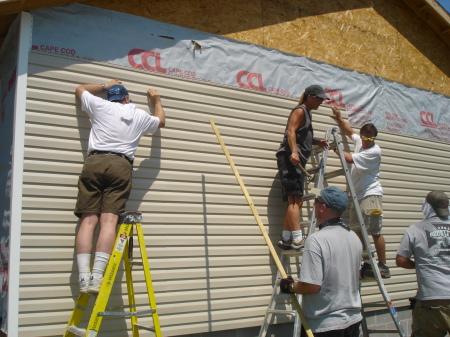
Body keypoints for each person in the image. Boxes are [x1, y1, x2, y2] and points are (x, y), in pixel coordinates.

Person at [74, 79, 166, 294]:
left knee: (89, 220)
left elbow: (80, 89)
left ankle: (83, 277)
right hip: (121, 164)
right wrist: (157, 101)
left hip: (94, 162)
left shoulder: (100, 105)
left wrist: (105, 85)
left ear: (111, 98)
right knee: (109, 220)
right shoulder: (138, 114)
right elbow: (161, 121)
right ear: (127, 98)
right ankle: (97, 277)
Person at [280, 186, 363, 336]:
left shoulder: (317, 240)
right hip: (353, 321)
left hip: (326, 325)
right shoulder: (354, 237)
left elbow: (311, 286)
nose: (313, 205)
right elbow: (356, 277)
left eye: (316, 202)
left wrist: (289, 286)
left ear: (323, 208)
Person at [329, 107, 390, 278]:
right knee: (357, 230)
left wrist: (334, 147)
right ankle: (368, 264)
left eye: (371, 139)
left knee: (374, 231)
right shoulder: (360, 142)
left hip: (371, 195)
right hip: (357, 196)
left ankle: (383, 265)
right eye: (365, 138)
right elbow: (351, 133)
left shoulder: (374, 151)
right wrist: (340, 120)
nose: (368, 141)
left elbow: (348, 158)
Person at [276, 85, 329, 250]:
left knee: (295, 201)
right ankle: (298, 239)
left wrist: (317, 141)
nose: (321, 102)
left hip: (295, 160)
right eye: (319, 99)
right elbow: (291, 131)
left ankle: (286, 238)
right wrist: (294, 152)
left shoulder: (307, 114)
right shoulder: (299, 110)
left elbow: (301, 135)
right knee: (294, 200)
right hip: (290, 159)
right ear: (310, 96)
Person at [396, 190, 450, 337]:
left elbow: (400, 260)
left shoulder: (416, 229)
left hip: (431, 300)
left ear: (428, 206)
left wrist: (419, 264)